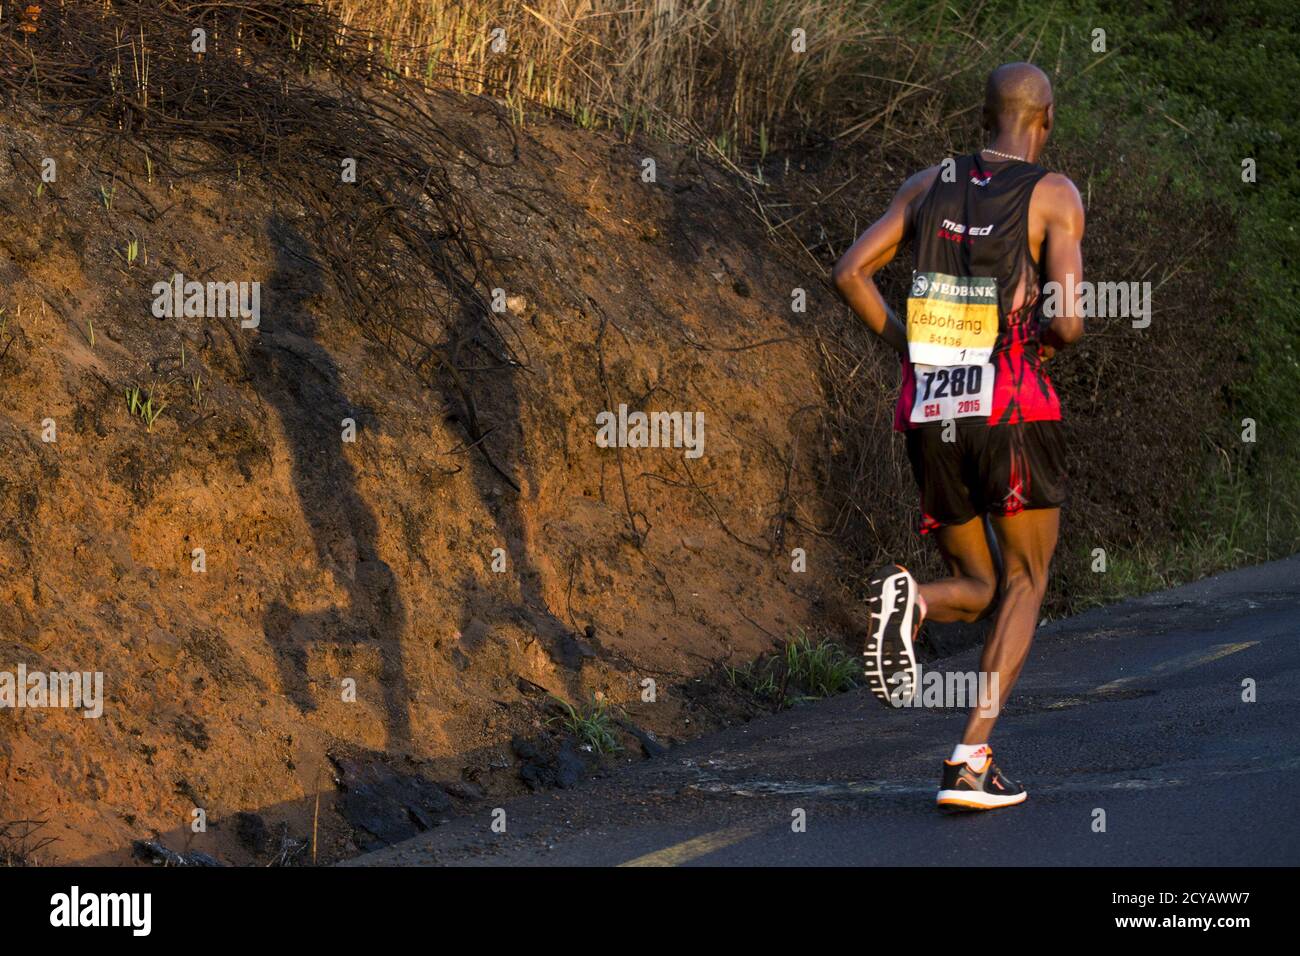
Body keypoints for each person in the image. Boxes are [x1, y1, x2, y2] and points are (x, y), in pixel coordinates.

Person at [831, 62, 1086, 810]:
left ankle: (912, 602)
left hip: (930, 412)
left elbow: (850, 272)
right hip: (1010, 410)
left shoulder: (926, 183)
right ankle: (970, 759)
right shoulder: (1054, 194)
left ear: (983, 119)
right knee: (1029, 579)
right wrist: (1038, 335)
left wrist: (912, 343)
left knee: (980, 588)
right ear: (1046, 121)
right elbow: (1068, 320)